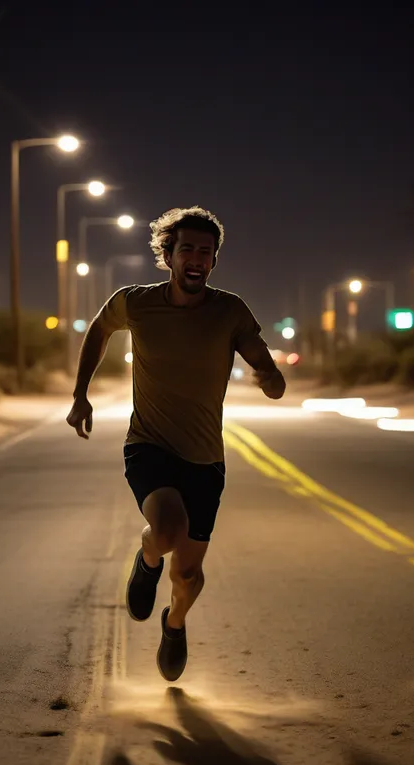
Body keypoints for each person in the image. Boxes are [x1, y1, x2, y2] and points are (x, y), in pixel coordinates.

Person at [66, 206, 286, 682]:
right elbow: (100, 331)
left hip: (205, 459)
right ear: (167, 254)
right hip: (149, 443)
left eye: (206, 252)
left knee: (187, 577)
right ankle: (147, 561)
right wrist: (81, 394)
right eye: (187, 248)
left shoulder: (230, 311)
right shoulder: (136, 301)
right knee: (165, 530)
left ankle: (175, 622)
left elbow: (268, 371)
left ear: (213, 262)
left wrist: (270, 378)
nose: (197, 258)